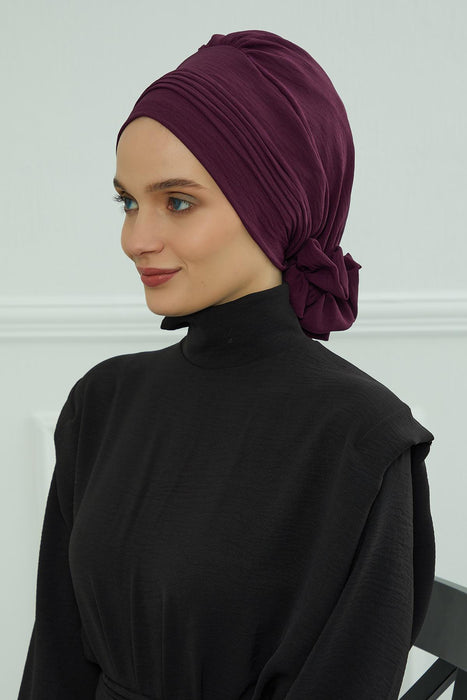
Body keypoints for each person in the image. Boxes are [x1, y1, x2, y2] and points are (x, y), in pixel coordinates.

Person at [18, 29, 435, 700]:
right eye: (128, 201)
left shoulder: (358, 435)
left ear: (275, 207)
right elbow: (57, 661)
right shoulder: (104, 401)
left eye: (177, 202)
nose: (135, 238)